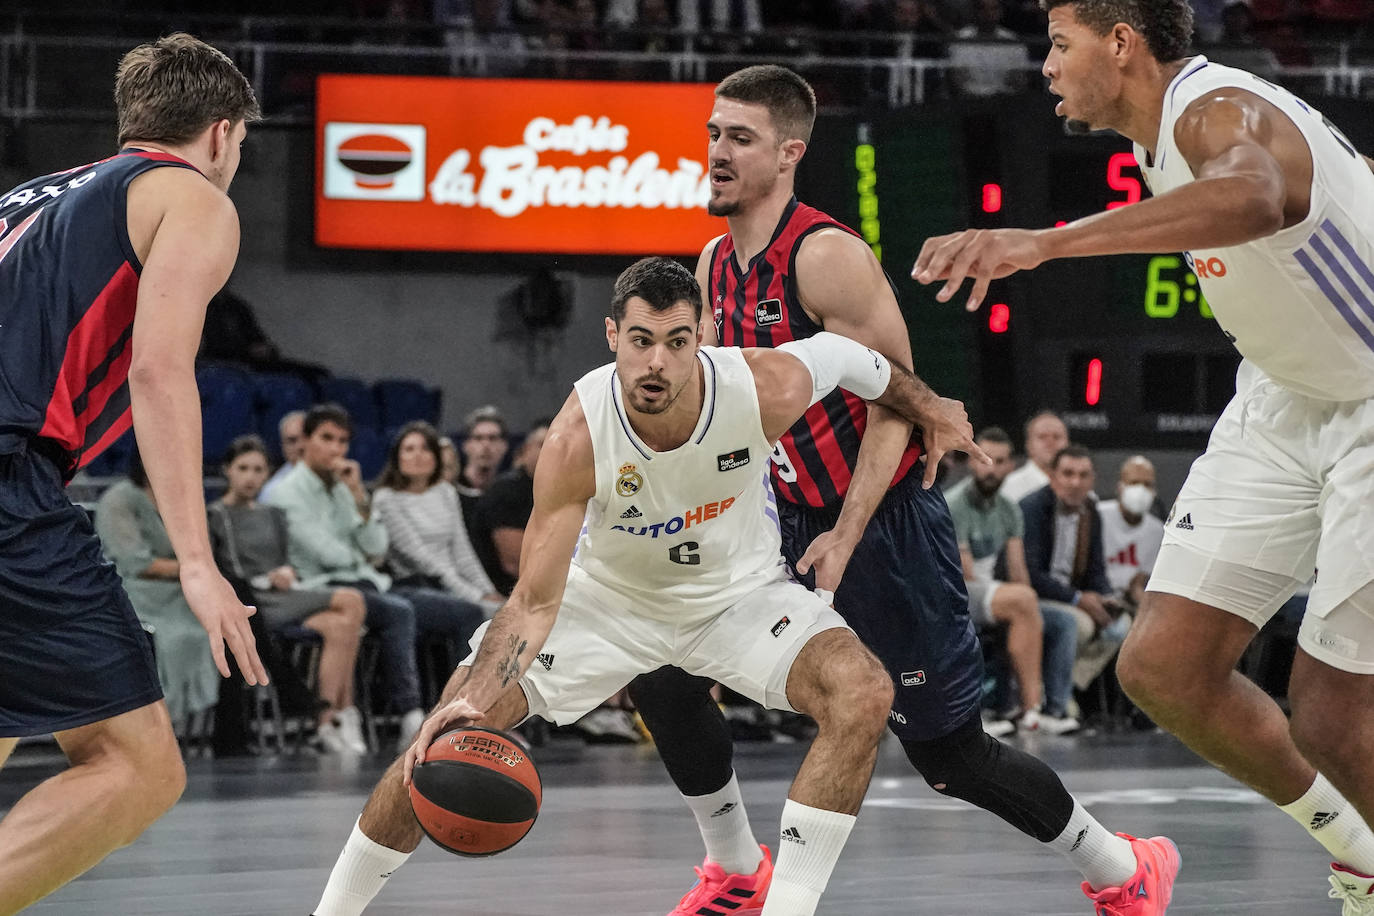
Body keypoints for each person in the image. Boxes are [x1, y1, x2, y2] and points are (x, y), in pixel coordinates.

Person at [628, 64, 1178, 916]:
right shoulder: (709, 263)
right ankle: (737, 871)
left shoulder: (826, 255)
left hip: (881, 530)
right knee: (663, 674)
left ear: (788, 153)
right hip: (779, 525)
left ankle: (1122, 867)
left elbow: (898, 399)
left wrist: (845, 535)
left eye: (739, 138)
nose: (718, 152)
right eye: (712, 133)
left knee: (950, 757)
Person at [912, 0, 1374, 907]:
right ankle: (1359, 848)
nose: (1044, 66)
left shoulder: (1214, 109)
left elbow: (1251, 196)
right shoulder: (1161, 137)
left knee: (1329, 711)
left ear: (1120, 43)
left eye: (1059, 43)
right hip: (1284, 395)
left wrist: (1043, 244)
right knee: (1163, 667)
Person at [311, 257, 939, 916]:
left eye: (676, 342)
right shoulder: (579, 434)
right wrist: (476, 693)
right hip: (609, 604)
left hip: (739, 597)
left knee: (864, 692)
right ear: (613, 335)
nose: (657, 363)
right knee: (442, 742)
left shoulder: (764, 386)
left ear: (706, 335)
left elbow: (853, 359)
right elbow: (532, 601)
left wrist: (933, 407)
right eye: (641, 340)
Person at [0, 33, 266, 914]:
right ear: (223, 136)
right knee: (139, 766)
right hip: (9, 480)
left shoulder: (25, 199)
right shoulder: (189, 196)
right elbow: (158, 370)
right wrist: (197, 559)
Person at [268, 404, 485, 745]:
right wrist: (358, 551)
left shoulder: (343, 487)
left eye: (342, 442)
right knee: (399, 611)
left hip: (369, 582)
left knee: (457, 611)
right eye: (327, 439)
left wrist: (357, 496)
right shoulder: (286, 492)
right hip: (322, 588)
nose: (336, 449)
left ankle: (464, 712)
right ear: (305, 441)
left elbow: (376, 547)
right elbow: (326, 554)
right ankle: (410, 714)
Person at [209, 435, 368, 754]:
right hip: (254, 600)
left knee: (341, 625)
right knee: (352, 600)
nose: (251, 476)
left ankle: (326, 721)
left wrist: (287, 572)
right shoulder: (218, 514)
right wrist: (269, 577)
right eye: (243, 468)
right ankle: (344, 712)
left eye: (258, 469)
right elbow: (234, 569)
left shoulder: (273, 514)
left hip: (285, 593)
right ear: (228, 470)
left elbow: (284, 559)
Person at [946, 427, 1082, 734]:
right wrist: (1022, 599)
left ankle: (1048, 709)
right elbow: (962, 574)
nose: (991, 467)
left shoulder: (1010, 510)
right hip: (954, 592)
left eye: (1000, 460)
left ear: (1010, 466)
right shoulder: (954, 504)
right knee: (1021, 601)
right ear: (971, 461)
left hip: (994, 595)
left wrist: (1031, 604)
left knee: (1063, 621)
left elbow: (1019, 570)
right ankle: (1022, 707)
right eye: (984, 459)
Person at [95, 450, 222, 734]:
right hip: (134, 590)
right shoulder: (119, 499)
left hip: (181, 589)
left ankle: (223, 728)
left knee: (221, 619)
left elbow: (204, 552)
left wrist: (196, 571)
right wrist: (193, 570)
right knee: (182, 634)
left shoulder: (185, 501)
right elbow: (133, 562)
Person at [1020, 445, 1129, 698]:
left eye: (1083, 475)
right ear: (1052, 476)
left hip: (1072, 596)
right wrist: (1078, 600)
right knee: (1075, 624)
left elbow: (1096, 569)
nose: (1075, 482)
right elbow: (1030, 574)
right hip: (1036, 597)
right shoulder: (1032, 508)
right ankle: (1056, 703)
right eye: (1068, 474)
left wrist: (1105, 596)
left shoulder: (1091, 511)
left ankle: (1070, 686)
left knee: (1119, 626)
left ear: (1093, 480)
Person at [372, 421, 503, 617]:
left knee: (510, 615)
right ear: (397, 457)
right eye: (409, 449)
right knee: (474, 612)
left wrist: (489, 591)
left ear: (435, 458)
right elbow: (423, 560)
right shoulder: (386, 498)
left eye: (425, 449)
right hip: (418, 584)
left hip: (455, 584)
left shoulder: (446, 492)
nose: (417, 455)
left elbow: (463, 552)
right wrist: (475, 596)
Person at [470, 419, 549, 595]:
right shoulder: (506, 491)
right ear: (526, 449)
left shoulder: (564, 490)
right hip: (507, 593)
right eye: (543, 444)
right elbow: (516, 564)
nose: (552, 450)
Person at [1098, 455, 1164, 610]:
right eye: (1134, 483)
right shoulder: (1098, 515)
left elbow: (1139, 584)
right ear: (1120, 486)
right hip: (1099, 595)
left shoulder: (1157, 531)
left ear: (1154, 491)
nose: (1140, 490)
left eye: (1147, 484)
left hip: (1128, 602)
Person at [1000, 409, 1069, 503]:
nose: (1050, 442)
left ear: (1067, 444)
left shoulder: (1080, 487)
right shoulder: (1008, 487)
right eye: (1042, 437)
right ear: (1028, 445)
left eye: (1057, 437)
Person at [260, 409, 306, 503]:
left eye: (305, 437)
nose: (300, 446)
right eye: (292, 441)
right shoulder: (272, 492)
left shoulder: (339, 478)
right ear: (283, 447)